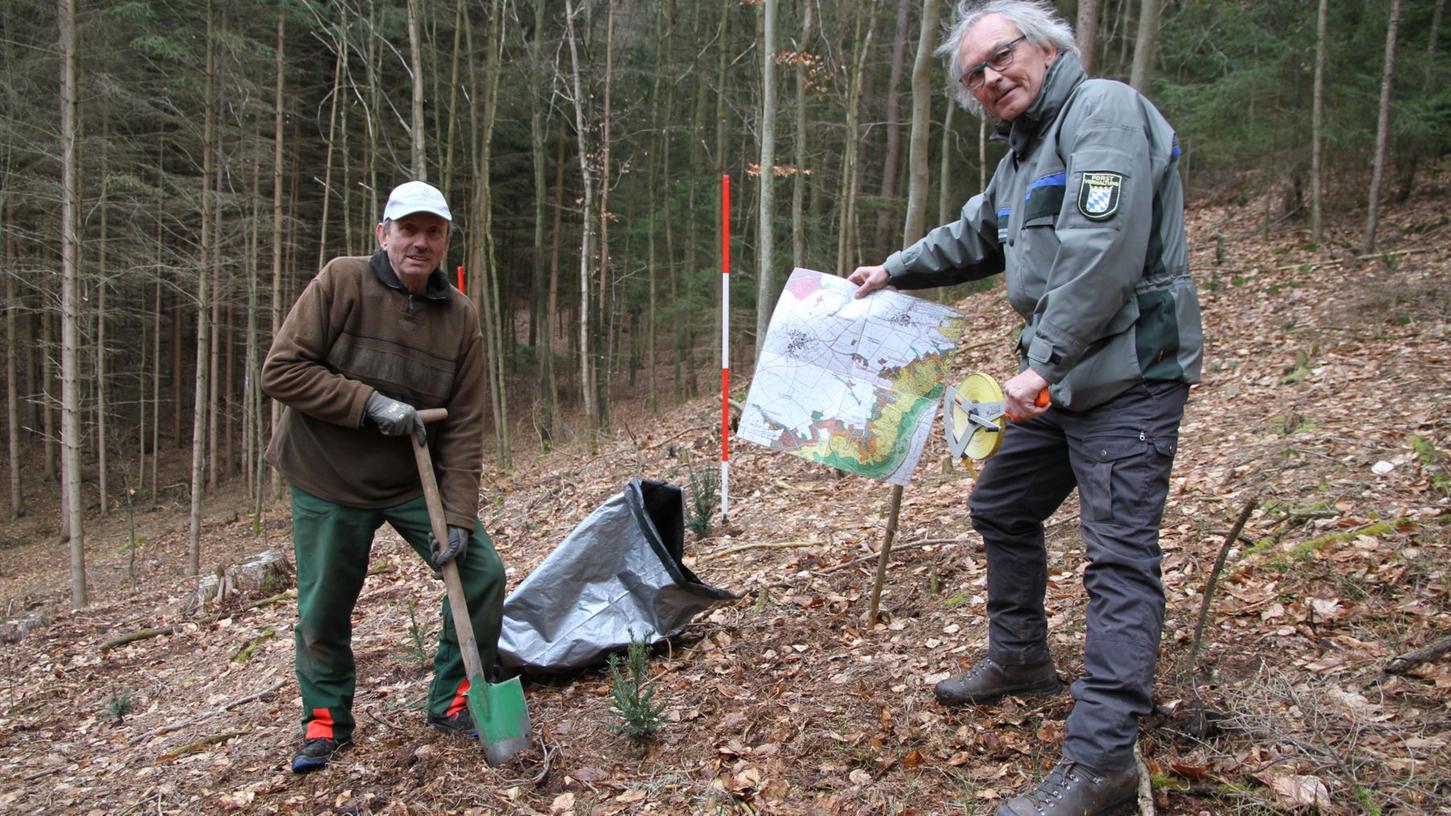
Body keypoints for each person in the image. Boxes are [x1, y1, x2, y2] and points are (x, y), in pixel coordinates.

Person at [849, 2, 1202, 814]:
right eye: (974, 74)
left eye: (1000, 57)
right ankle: (1019, 659)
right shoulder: (1021, 155)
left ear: (1045, 48)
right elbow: (974, 233)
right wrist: (891, 272)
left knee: (1117, 559)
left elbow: (1101, 251)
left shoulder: (1101, 111)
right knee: (1002, 504)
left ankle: (1102, 763)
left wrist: (1038, 364)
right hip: (1065, 381)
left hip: (1128, 376)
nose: (990, 78)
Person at [262, 180, 506, 774]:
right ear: (384, 235)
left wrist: (458, 517)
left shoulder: (460, 318)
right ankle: (325, 724)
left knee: (479, 573)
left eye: (433, 232)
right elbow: (282, 371)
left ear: (446, 240)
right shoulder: (343, 281)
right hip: (326, 476)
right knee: (324, 608)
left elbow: (465, 428)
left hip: (409, 483)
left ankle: (456, 700)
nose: (420, 243)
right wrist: (369, 404)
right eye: (408, 230)